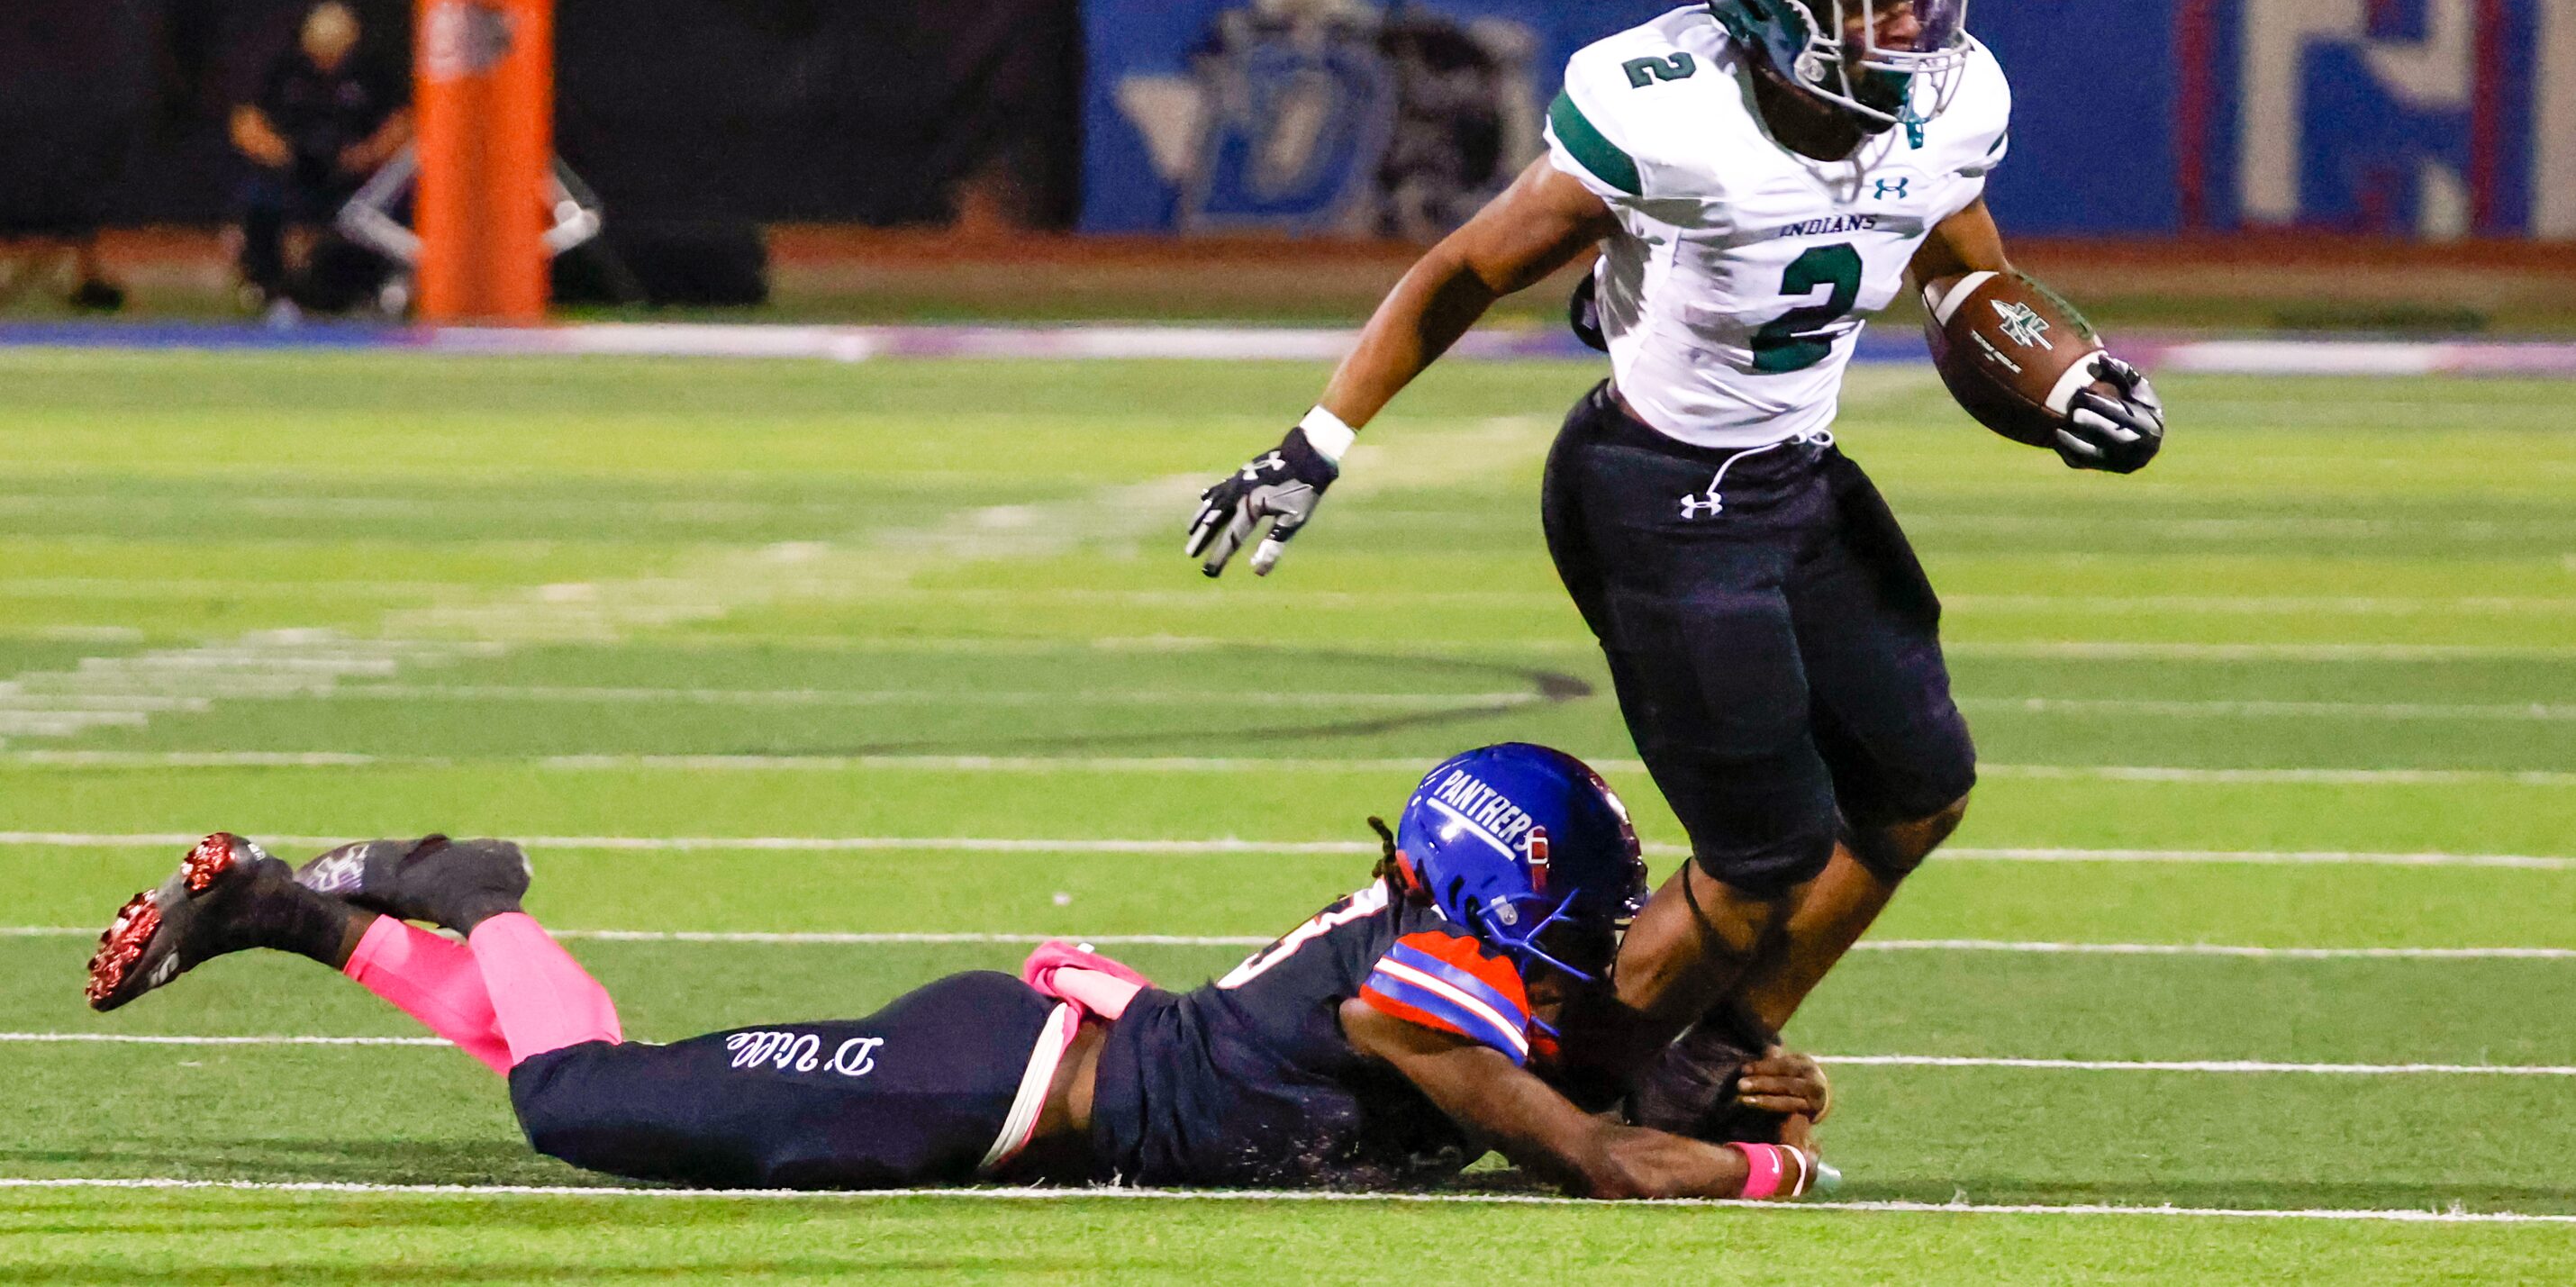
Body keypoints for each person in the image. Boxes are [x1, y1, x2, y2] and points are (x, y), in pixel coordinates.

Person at [1187, 0, 2167, 1090]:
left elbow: (1965, 272)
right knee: (1766, 854)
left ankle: (1718, 1050)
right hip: (1654, 493)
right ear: (1772, 6)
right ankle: (1569, 1097)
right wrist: (1318, 440)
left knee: (1920, 791)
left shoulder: (1951, 100)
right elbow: (1468, 268)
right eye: (1874, 8)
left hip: (1795, 473)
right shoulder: (1668, 114)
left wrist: (2069, 374)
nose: (1915, 31)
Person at [83, 743, 1836, 1199]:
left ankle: (295, 919)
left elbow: (1589, 1086)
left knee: (605, 1083)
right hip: (978, 1089)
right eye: (1569, 924)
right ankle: (466, 889)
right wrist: (1766, 1162)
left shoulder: (1444, 970)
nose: (1592, 960)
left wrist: (1707, 1073)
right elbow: (1589, 1162)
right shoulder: (1410, 988)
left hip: (1024, 1073)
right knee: (570, 1103)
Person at [231, 0, 412, 314]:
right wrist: (282, 153)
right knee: (258, 200)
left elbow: (403, 121)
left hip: (355, 179)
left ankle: (380, 283)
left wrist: (367, 154)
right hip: (295, 174)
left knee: (385, 212)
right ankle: (266, 284)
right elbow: (247, 121)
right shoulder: (287, 72)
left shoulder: (371, 73)